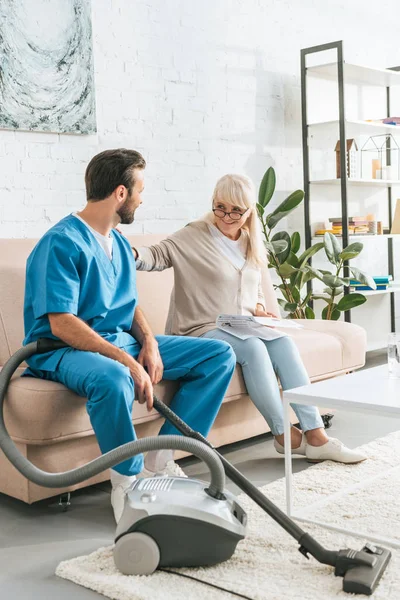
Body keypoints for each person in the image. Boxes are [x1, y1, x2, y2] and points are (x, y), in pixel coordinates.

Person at [23, 149, 236, 523]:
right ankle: (127, 481)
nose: (143, 197)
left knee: (218, 356)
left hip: (120, 340)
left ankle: (163, 456)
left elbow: (129, 304)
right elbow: (62, 323)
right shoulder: (61, 241)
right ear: (121, 193)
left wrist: (150, 344)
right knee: (114, 377)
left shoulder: (119, 242)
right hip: (61, 350)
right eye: (140, 189)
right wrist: (127, 361)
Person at [133, 173, 367, 464]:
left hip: (241, 326)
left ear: (249, 211)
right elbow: (156, 255)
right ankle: (283, 434)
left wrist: (257, 307)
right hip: (199, 329)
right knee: (254, 349)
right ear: (213, 203)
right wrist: (128, 251)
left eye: (235, 210)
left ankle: (316, 435)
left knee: (283, 344)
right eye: (220, 207)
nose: (227, 216)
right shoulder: (194, 234)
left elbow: (252, 287)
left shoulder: (249, 241)